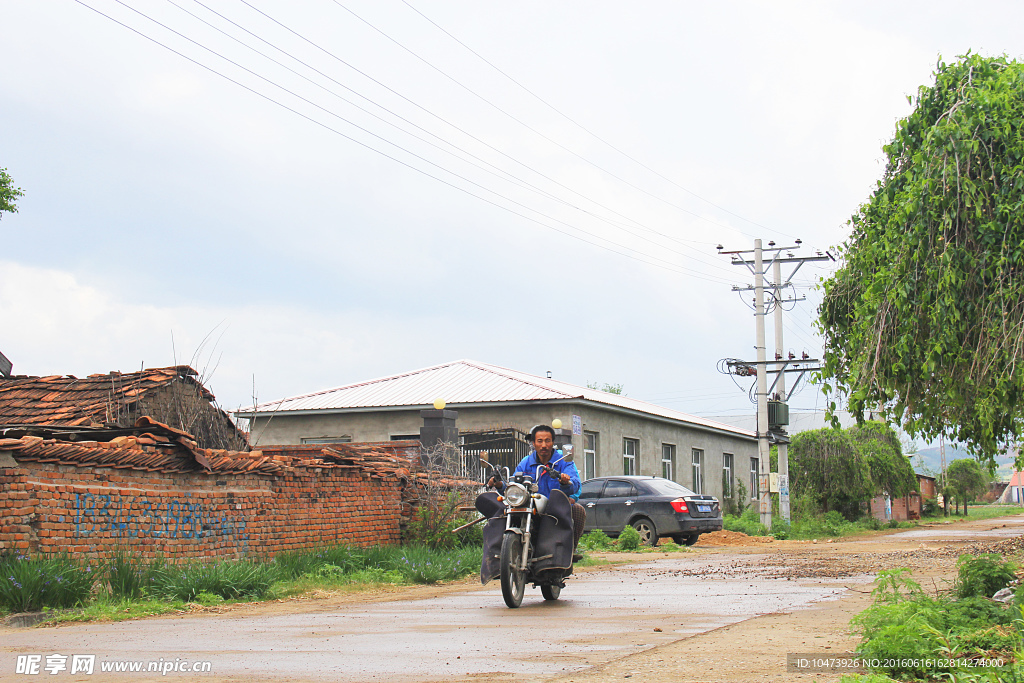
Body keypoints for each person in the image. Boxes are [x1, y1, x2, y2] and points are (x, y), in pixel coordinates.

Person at [487, 424, 586, 558]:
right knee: (499, 513)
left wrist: (565, 482)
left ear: (553, 442)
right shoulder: (525, 462)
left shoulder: (563, 461)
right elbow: (514, 486)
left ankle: (570, 551)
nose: (544, 445)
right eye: (539, 441)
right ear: (533, 443)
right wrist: (499, 485)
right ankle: (497, 555)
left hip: (554, 506)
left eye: (547, 441)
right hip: (530, 505)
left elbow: (575, 484)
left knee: (578, 510)